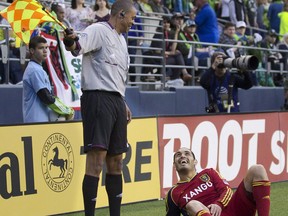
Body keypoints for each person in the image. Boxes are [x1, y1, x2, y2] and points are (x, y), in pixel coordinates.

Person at [63, 0, 134, 215]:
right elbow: (76, 46)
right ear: (121, 14)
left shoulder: (122, 41)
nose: (133, 22)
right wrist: (70, 41)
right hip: (97, 98)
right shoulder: (98, 30)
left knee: (117, 161)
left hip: (116, 101)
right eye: (131, 18)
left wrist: (123, 102)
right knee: (96, 160)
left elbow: (118, 77)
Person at [166, 147, 271, 216]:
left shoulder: (209, 173)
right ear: (174, 165)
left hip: (230, 210)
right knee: (192, 204)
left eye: (187, 153)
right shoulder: (173, 193)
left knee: (257, 169)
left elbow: (227, 190)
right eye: (178, 155)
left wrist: (219, 204)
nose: (182, 156)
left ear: (195, 162)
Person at [22, 36, 74, 123]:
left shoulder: (37, 68)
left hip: (39, 120)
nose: (45, 50)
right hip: (36, 121)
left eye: (46, 47)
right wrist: (66, 111)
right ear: (32, 51)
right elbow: (46, 97)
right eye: (41, 48)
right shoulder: (35, 70)